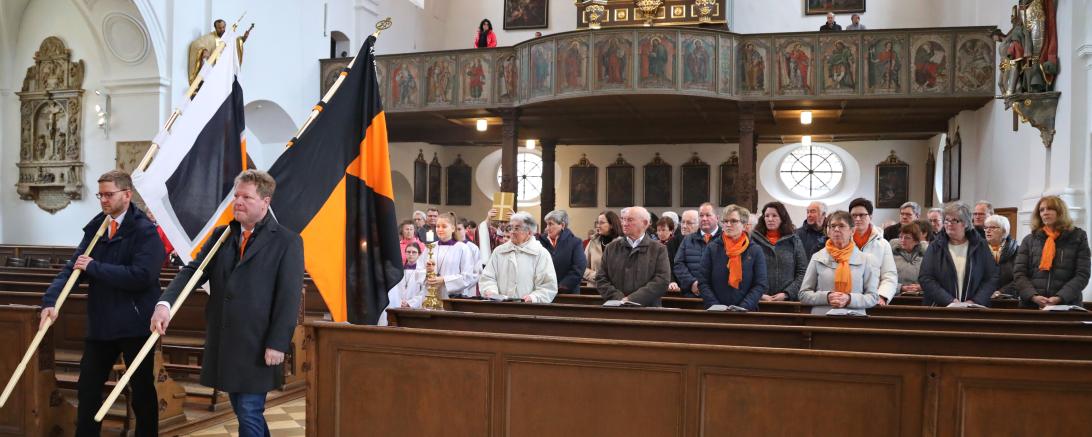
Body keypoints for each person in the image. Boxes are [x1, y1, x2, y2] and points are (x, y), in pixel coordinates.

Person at [151, 170, 302, 437]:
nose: (238, 202)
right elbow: (191, 273)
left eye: (247, 197)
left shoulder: (286, 241)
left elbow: (288, 297)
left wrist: (278, 342)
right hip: (226, 342)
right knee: (245, 409)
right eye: (236, 196)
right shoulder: (222, 236)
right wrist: (165, 304)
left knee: (248, 409)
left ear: (266, 202)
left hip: (259, 343)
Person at [41, 170, 165, 436]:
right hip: (102, 323)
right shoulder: (98, 226)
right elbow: (74, 268)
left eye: (109, 194)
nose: (103, 200)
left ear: (127, 195)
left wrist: (96, 267)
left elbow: (142, 277)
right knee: (88, 388)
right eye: (101, 195)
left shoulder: (145, 231)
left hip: (135, 323)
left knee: (141, 388)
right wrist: (51, 300)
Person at [1013, 196, 1091, 308]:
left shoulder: (1077, 237)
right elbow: (1019, 273)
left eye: (1050, 209)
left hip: (1066, 304)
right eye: (1042, 210)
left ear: (1060, 211)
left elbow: (1082, 274)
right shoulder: (1029, 240)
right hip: (1032, 305)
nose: (1045, 212)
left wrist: (1060, 297)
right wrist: (1033, 296)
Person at [918, 203, 997, 307]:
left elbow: (991, 277)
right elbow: (926, 278)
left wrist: (974, 302)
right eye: (946, 220)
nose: (949, 224)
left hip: (974, 310)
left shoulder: (980, 245)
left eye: (954, 220)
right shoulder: (935, 246)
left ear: (965, 223)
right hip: (941, 308)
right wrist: (950, 301)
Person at [798, 211, 881, 310]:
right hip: (822, 320)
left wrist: (850, 299)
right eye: (833, 226)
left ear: (852, 231)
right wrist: (827, 297)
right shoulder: (817, 257)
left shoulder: (865, 259)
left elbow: (873, 297)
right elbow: (803, 294)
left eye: (841, 225)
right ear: (828, 231)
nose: (836, 229)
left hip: (854, 319)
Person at [596, 207, 671, 306]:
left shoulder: (658, 249)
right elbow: (601, 278)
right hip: (616, 308)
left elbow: (662, 281)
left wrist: (632, 299)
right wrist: (619, 298)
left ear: (644, 223)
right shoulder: (611, 248)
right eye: (623, 219)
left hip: (648, 310)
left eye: (630, 220)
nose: (624, 223)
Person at [699, 205, 768, 310]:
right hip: (715, 312)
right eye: (725, 221)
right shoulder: (712, 248)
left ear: (744, 225)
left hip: (746, 312)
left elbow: (760, 284)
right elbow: (703, 281)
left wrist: (743, 307)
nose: (728, 225)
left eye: (733, 221)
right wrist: (715, 305)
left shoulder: (755, 250)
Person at [480, 212, 558, 303]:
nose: (512, 232)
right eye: (510, 227)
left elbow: (548, 286)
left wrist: (533, 298)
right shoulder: (499, 251)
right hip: (500, 308)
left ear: (529, 232)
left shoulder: (541, 254)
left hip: (528, 310)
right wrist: (491, 292)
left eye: (516, 228)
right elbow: (488, 277)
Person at [751, 201, 807, 302]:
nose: (770, 219)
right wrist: (759, 294)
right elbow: (747, 271)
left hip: (787, 302)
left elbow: (802, 272)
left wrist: (787, 293)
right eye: (767, 216)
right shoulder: (753, 240)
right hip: (759, 301)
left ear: (782, 218)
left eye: (774, 216)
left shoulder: (794, 240)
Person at [848, 197, 899, 304]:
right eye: (854, 215)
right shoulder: (843, 242)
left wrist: (882, 296)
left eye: (862, 215)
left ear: (870, 216)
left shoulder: (883, 244)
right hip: (848, 299)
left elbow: (889, 275)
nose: (857, 219)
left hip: (874, 300)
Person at [417, 212, 479, 297]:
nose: (440, 229)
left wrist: (444, 280)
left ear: (453, 228)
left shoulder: (462, 248)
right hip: (430, 295)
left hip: (452, 297)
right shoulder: (430, 247)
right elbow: (418, 270)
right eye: (438, 226)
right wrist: (427, 272)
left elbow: (467, 277)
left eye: (444, 226)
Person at [675, 203, 721, 298]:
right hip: (691, 295)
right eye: (701, 215)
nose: (704, 219)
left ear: (717, 218)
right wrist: (692, 283)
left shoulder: (726, 240)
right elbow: (678, 264)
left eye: (708, 215)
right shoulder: (688, 240)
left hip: (718, 296)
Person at [538, 210, 588, 294]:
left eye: (550, 224)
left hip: (567, 293)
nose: (547, 228)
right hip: (543, 292)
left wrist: (561, 287)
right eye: (547, 224)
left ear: (562, 225)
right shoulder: (539, 241)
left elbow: (578, 269)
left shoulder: (575, 243)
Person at [379, 242, 426, 326]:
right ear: (405, 253)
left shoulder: (422, 272)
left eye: (414, 252)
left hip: (414, 309)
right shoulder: (398, 272)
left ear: (419, 254)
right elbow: (394, 290)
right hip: (398, 307)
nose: (411, 254)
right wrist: (399, 301)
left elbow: (424, 292)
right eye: (408, 252)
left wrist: (410, 303)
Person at [983, 214, 1019, 299]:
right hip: (982, 299)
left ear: (1004, 231)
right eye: (986, 227)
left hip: (1008, 300)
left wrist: (1001, 292)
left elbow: (1020, 278)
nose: (988, 230)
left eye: (993, 227)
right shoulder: (978, 250)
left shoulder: (1018, 251)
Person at [583, 210, 622, 283]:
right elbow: (582, 267)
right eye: (597, 223)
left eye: (601, 223)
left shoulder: (622, 243)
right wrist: (597, 276)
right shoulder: (592, 242)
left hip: (615, 289)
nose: (598, 226)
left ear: (612, 225)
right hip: (594, 288)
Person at [891, 222, 927, 296]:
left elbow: (932, 278)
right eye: (901, 237)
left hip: (920, 297)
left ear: (916, 241)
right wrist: (900, 287)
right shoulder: (891, 255)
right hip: (895, 296)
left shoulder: (925, 255)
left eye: (907, 238)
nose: (902, 240)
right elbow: (884, 278)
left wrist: (922, 287)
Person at [655, 216, 682, 292]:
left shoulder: (676, 244)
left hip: (672, 281)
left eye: (663, 230)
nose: (660, 233)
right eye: (658, 230)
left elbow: (673, 265)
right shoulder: (655, 244)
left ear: (671, 231)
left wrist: (672, 281)